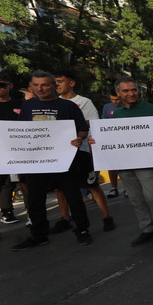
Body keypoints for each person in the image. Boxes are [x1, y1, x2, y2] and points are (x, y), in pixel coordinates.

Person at [9, 71, 93, 250]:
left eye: (45, 85)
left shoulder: (68, 106)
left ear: (54, 86)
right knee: (36, 200)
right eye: (36, 85)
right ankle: (39, 235)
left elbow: (83, 129)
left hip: (64, 160)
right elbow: (19, 132)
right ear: (31, 86)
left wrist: (79, 138)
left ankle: (82, 230)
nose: (40, 88)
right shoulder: (28, 106)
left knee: (74, 197)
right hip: (36, 161)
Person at [110, 77, 153, 246]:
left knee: (152, 196)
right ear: (118, 93)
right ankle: (147, 229)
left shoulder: (152, 109)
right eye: (126, 90)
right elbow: (112, 138)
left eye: (134, 89)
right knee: (136, 199)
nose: (131, 93)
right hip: (126, 163)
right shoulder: (117, 114)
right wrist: (98, 141)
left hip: (149, 161)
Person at [54, 70, 116, 232]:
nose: (57, 84)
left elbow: (94, 124)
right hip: (59, 153)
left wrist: (72, 127)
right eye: (55, 82)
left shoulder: (84, 102)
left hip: (81, 151)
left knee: (91, 185)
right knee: (60, 187)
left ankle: (107, 217)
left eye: (60, 81)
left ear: (71, 83)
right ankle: (64, 218)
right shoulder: (53, 102)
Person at [0, 72, 23, 241]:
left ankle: (37, 223)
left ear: (10, 85)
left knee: (28, 188)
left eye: (1, 84)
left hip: (22, 155)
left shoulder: (21, 105)